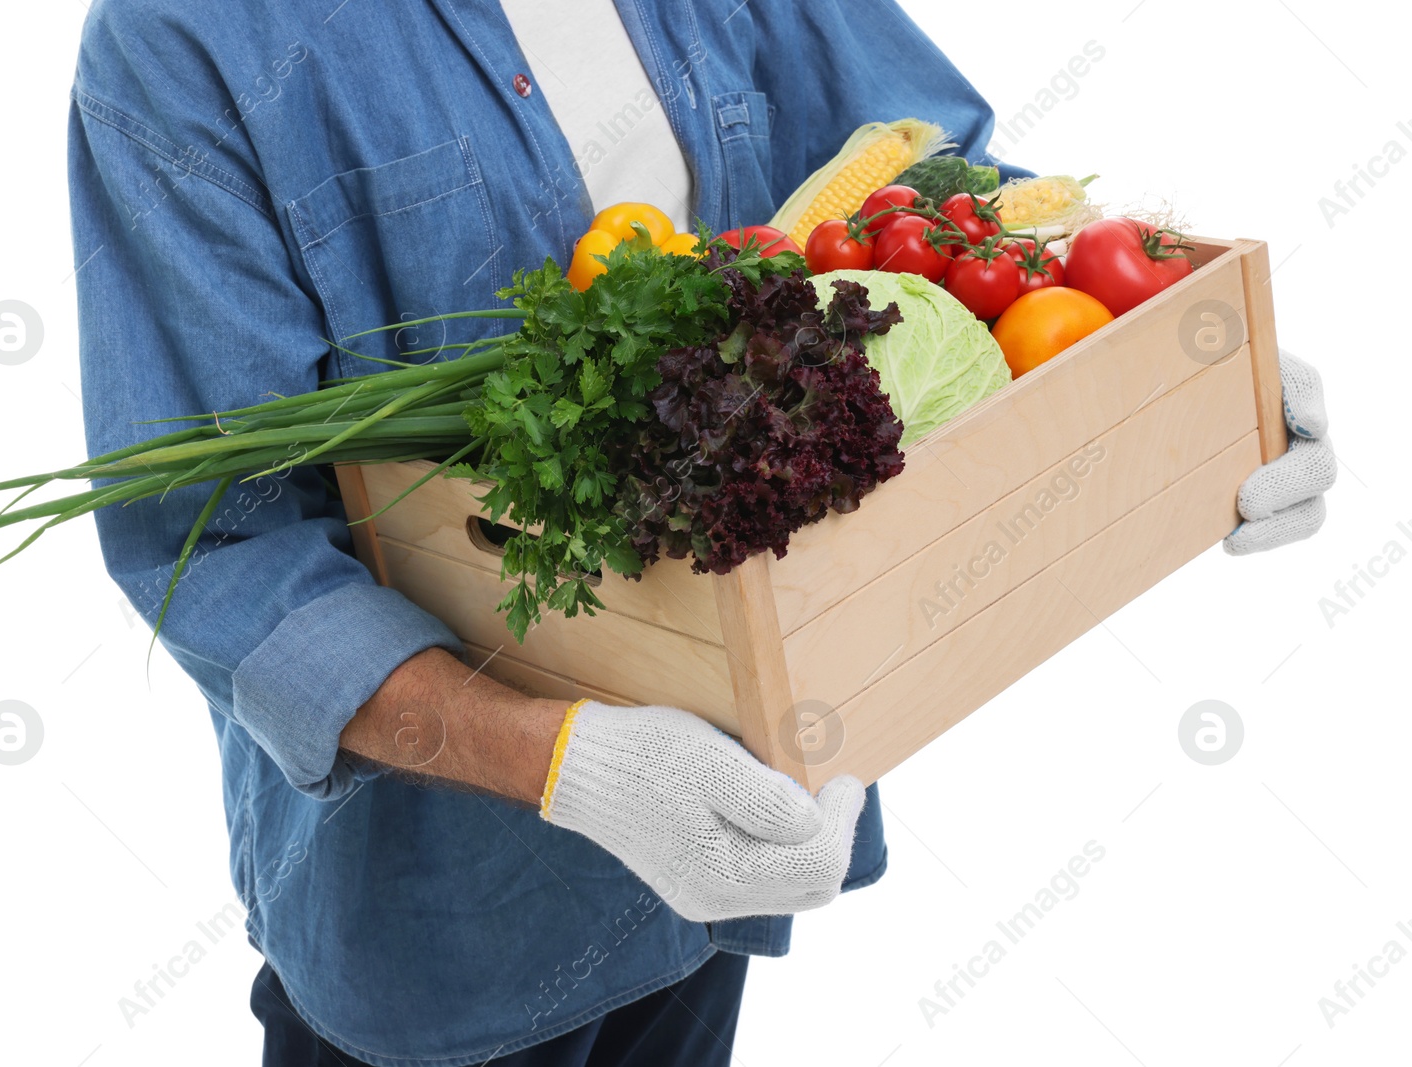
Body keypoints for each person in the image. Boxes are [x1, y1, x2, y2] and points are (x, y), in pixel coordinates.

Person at [67, 1, 1335, 1063]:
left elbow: (928, 183)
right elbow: (220, 547)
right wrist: (567, 764)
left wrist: (1175, 358)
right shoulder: (188, 40)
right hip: (440, 926)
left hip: (730, 840)